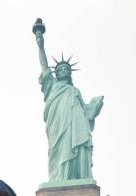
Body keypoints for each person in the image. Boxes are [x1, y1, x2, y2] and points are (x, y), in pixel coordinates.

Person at [35, 29, 104, 181]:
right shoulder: (52, 86)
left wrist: (94, 107)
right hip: (58, 125)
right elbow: (44, 66)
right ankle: (59, 177)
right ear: (57, 73)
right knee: (58, 151)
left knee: (76, 146)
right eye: (60, 69)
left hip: (75, 127)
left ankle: (76, 175)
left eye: (66, 69)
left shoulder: (75, 91)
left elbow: (86, 112)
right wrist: (40, 45)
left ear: (69, 73)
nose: (63, 70)